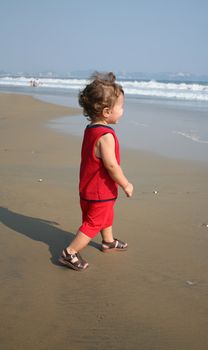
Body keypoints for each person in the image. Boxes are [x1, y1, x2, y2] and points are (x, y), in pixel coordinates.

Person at [59, 72, 134, 271]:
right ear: (107, 112)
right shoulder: (106, 136)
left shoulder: (91, 129)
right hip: (99, 191)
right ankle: (70, 253)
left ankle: (108, 242)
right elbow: (111, 166)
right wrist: (125, 183)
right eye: (121, 107)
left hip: (88, 189)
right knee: (93, 223)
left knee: (105, 216)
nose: (123, 110)